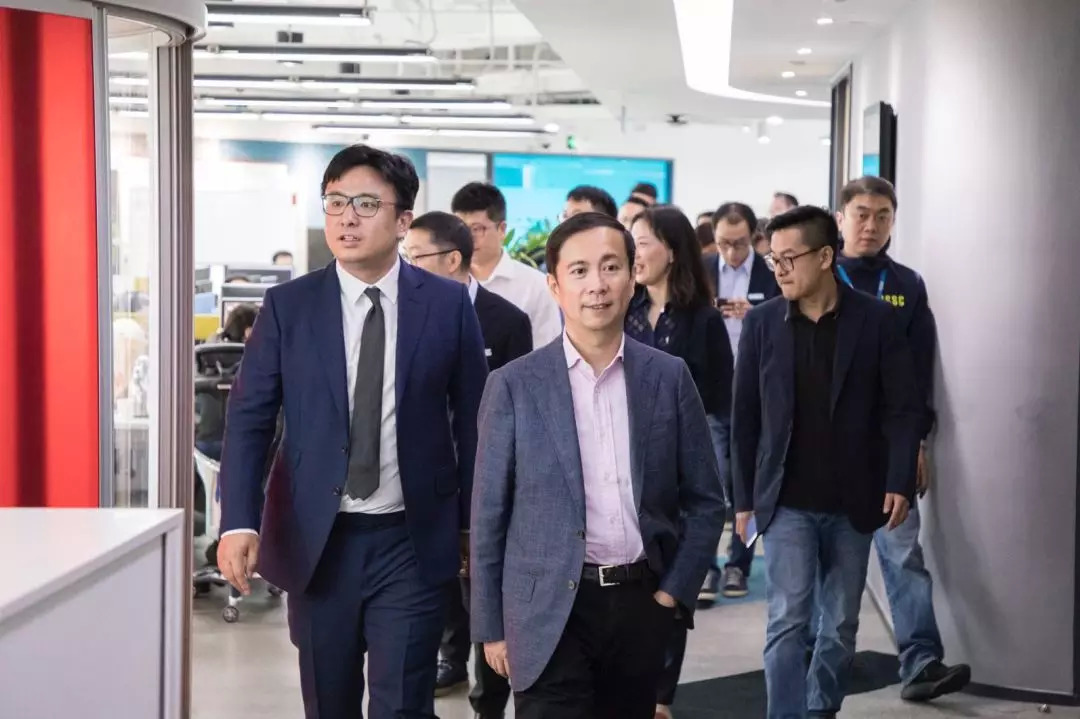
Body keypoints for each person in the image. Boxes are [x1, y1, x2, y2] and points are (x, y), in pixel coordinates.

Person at [216, 144, 489, 719]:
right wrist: (239, 519)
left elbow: (473, 420)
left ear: (403, 220)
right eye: (335, 202)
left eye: (366, 204)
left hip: (411, 539)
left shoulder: (446, 305)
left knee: (403, 706)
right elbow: (249, 418)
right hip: (318, 541)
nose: (346, 218)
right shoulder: (289, 306)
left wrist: (469, 522)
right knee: (329, 701)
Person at [470, 211, 726, 719]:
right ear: (555, 285)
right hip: (546, 611)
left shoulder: (668, 377)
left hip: (639, 605)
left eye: (611, 267)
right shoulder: (514, 385)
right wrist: (490, 627)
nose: (597, 285)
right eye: (580, 270)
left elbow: (706, 501)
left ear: (632, 278)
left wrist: (672, 594)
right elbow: (489, 516)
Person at [731, 205, 923, 719]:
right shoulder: (763, 323)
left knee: (839, 626)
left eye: (788, 258)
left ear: (824, 257)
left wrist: (899, 479)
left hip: (853, 501)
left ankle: (821, 710)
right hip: (786, 501)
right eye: (773, 260)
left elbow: (902, 409)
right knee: (788, 620)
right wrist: (743, 499)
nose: (779, 270)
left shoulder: (877, 320)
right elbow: (745, 417)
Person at [833, 176, 970, 701]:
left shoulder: (906, 285)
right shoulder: (821, 274)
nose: (871, 225)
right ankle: (825, 664)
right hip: (828, 448)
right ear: (841, 217)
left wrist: (917, 445)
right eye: (861, 214)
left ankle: (921, 663)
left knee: (902, 554)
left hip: (890, 446)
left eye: (883, 216)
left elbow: (917, 372)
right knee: (833, 565)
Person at [402, 210, 531, 715]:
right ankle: (447, 660)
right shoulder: (406, 315)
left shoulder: (507, 320)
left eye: (416, 257)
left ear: (452, 259)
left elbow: (519, 407)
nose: (407, 267)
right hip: (429, 475)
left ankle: (488, 701)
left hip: (490, 475)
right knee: (438, 584)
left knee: (485, 585)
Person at [624, 206, 733, 719]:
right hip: (624, 460)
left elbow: (719, 401)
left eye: (643, 242)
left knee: (671, 581)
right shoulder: (624, 311)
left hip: (682, 465)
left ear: (671, 250)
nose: (635, 253)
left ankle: (660, 698)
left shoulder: (703, 320)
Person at [699, 201, 779, 603]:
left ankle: (738, 564)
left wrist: (757, 312)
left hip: (757, 391)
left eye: (740, 243)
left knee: (746, 484)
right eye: (723, 243)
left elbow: (788, 317)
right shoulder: (702, 271)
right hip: (713, 392)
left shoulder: (771, 272)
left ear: (755, 238)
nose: (731, 252)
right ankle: (707, 566)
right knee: (711, 482)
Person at [452, 182, 562, 349]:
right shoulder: (448, 283)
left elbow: (548, 350)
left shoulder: (535, 287)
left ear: (502, 229)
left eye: (477, 229)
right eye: (462, 230)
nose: (468, 238)